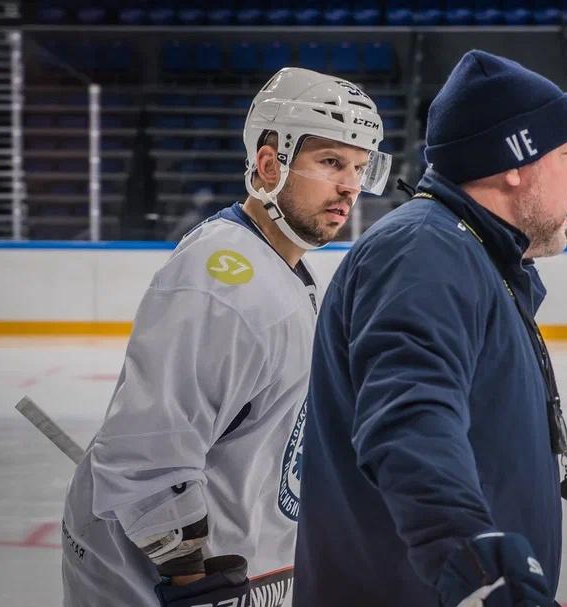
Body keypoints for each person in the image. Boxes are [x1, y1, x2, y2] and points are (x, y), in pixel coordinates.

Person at [60, 67, 390, 607]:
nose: (351, 185)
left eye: (359, 166)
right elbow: (149, 449)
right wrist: (191, 576)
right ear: (268, 164)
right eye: (331, 162)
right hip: (158, 584)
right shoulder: (221, 278)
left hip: (239, 572)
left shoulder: (283, 268)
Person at [294, 50, 567, 607]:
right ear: (515, 160)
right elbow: (409, 419)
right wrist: (480, 569)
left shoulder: (470, 254)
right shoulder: (425, 253)